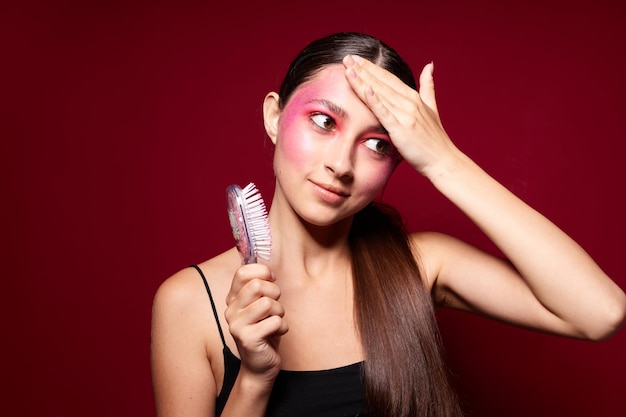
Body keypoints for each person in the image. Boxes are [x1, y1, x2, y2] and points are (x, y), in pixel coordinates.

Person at [150, 32, 626, 417]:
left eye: (377, 144)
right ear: (275, 116)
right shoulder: (189, 304)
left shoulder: (420, 265)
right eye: (323, 121)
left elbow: (600, 312)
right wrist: (255, 378)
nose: (341, 163)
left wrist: (445, 162)